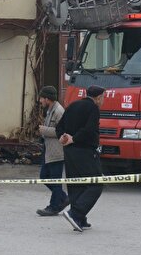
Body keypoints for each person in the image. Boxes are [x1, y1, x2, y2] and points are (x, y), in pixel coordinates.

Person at [57, 86, 105, 233]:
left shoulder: (73, 105)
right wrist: (74, 139)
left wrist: (62, 137)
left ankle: (80, 219)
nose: (103, 100)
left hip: (69, 152)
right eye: (103, 97)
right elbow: (90, 129)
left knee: (77, 183)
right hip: (85, 151)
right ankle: (75, 213)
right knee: (96, 183)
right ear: (98, 97)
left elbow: (59, 126)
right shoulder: (93, 108)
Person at [35, 86, 68, 217]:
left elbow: (63, 131)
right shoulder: (50, 110)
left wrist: (43, 130)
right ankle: (63, 198)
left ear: (48, 98)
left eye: (42, 98)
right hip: (49, 150)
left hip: (57, 152)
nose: (40, 101)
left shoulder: (59, 111)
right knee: (44, 177)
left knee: (55, 179)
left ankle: (53, 207)